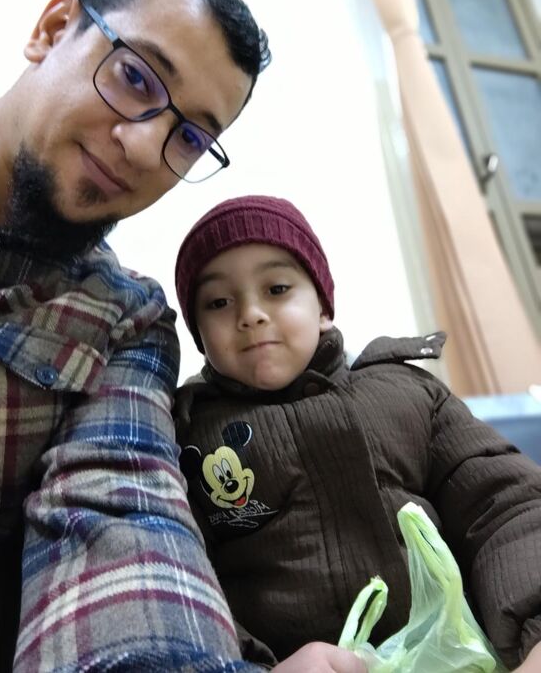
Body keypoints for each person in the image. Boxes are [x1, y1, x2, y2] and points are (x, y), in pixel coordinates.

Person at [0, 0, 315, 673]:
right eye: (135, 77)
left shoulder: (126, 323)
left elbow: (122, 513)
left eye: (190, 137)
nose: (146, 146)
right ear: (52, 29)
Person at [174, 194, 541, 672]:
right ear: (200, 335)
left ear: (323, 307)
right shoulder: (186, 440)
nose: (250, 314)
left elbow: (506, 505)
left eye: (277, 288)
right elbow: (178, 581)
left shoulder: (408, 393)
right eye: (219, 302)